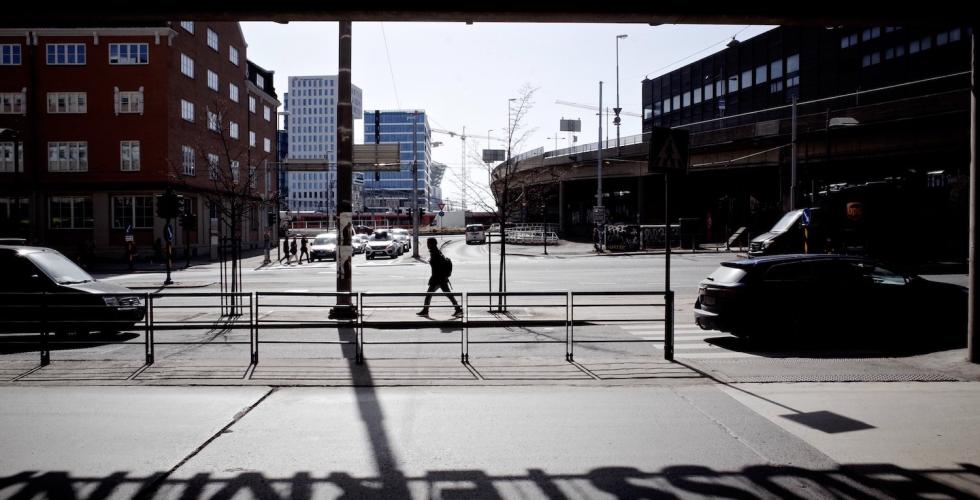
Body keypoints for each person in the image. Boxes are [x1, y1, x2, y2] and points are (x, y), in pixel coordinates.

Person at [417, 237, 463, 317]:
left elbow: (437, 267)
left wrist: (431, 263)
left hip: (438, 279)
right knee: (447, 294)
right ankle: (458, 309)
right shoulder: (435, 251)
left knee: (430, 294)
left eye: (428, 243)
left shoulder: (435, 253)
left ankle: (425, 310)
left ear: (432, 244)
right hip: (440, 278)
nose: (427, 245)